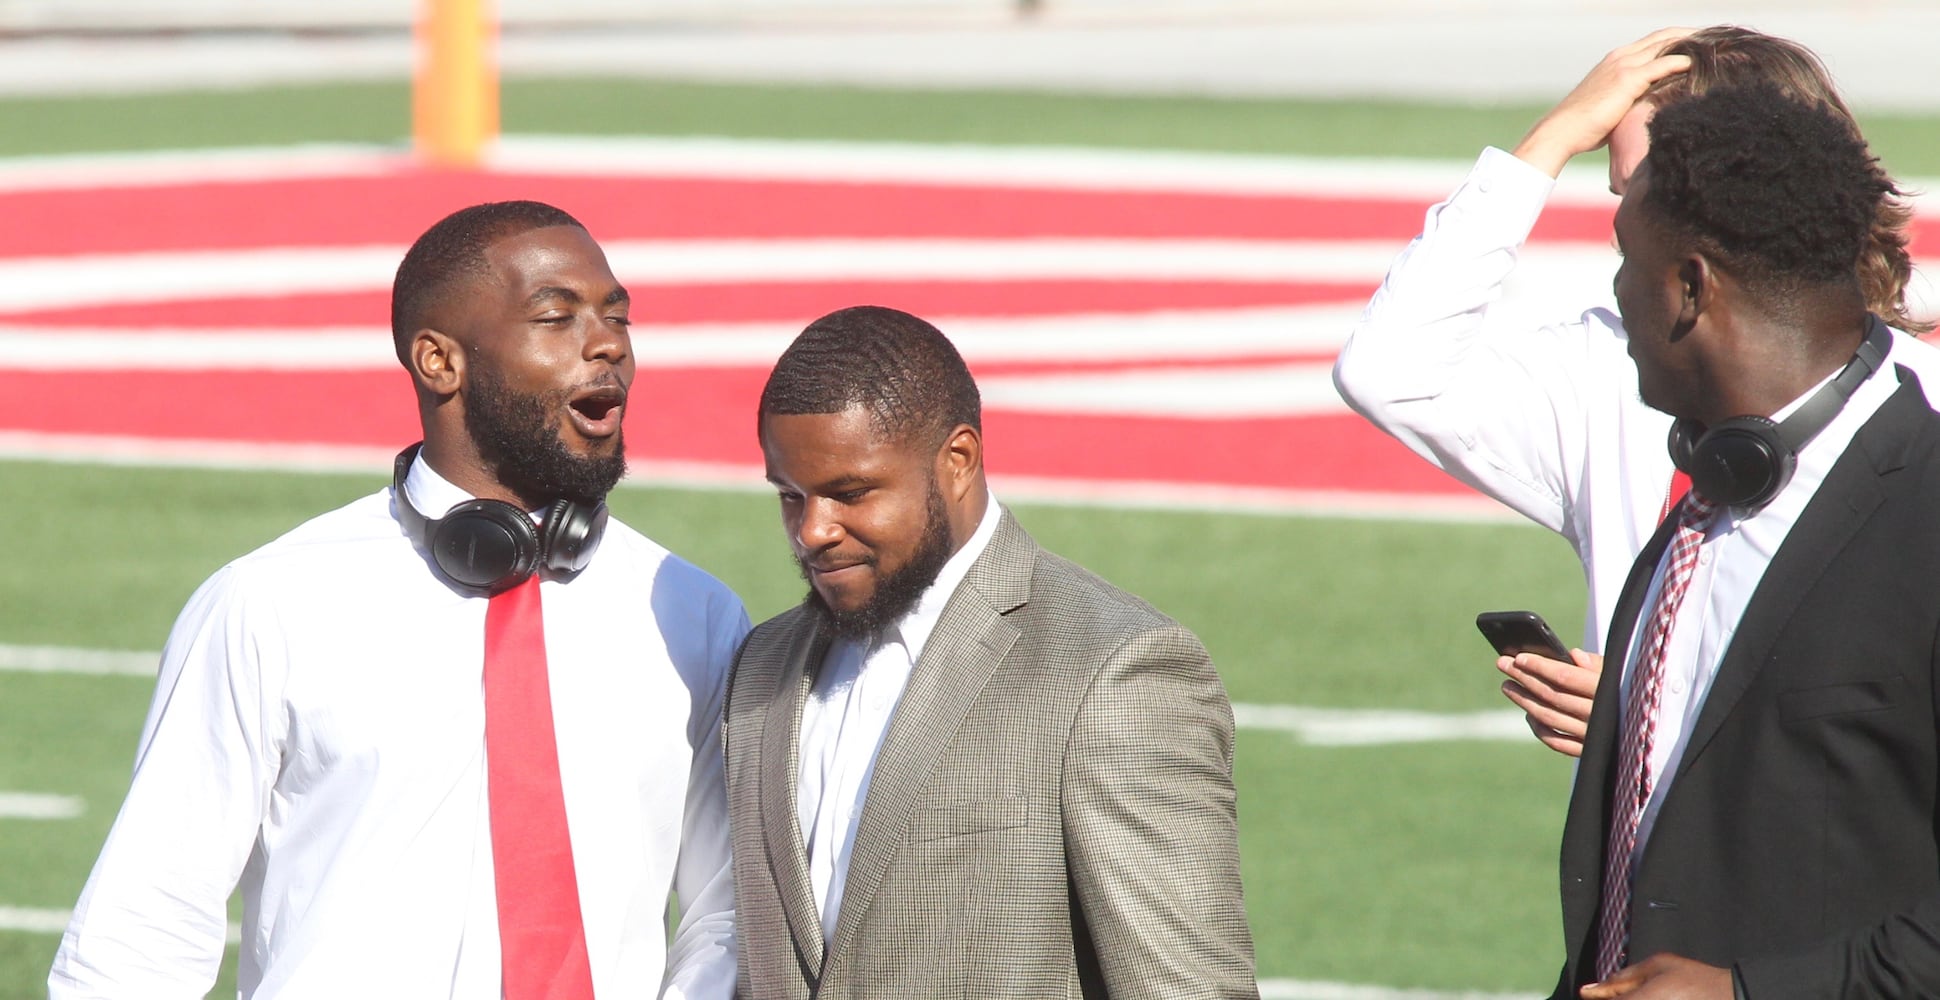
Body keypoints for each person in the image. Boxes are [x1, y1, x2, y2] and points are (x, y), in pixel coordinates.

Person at [48, 201, 747, 999]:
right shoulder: (273, 604)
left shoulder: (694, 616)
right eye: (558, 317)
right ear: (438, 361)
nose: (609, 345)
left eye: (617, 316)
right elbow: (144, 925)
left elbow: (726, 914)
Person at [1331, 26, 1940, 757]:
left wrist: (1655, 719)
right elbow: (1390, 372)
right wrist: (1545, 146)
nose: (1629, 233)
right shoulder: (1610, 373)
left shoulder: (1921, 411)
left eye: (1650, 189)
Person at [722, 305, 1258, 1000]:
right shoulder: (762, 667)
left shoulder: (1114, 671)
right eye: (791, 496)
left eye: (849, 494)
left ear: (958, 461)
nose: (813, 530)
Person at [1548, 83, 1940, 998]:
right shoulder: (1706, 506)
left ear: (1690, 287)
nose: (1614, 293)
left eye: (1624, 264)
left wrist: (1748, 994)